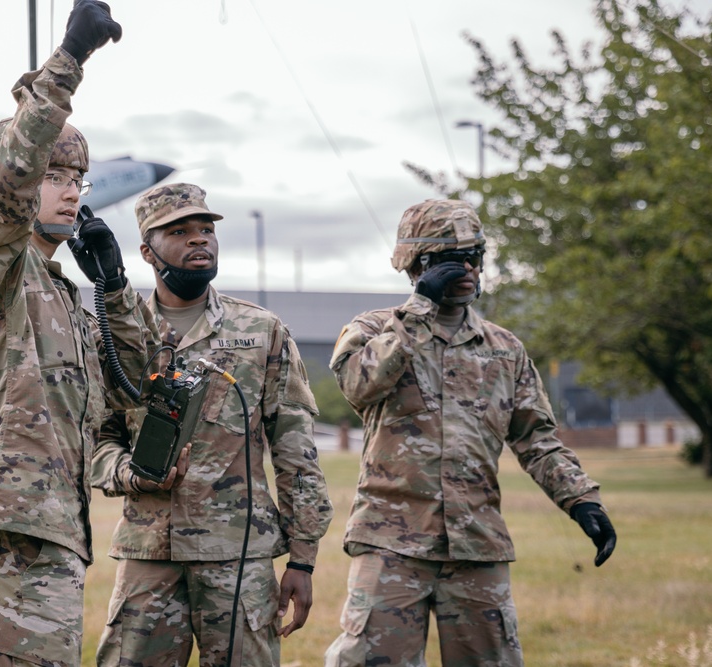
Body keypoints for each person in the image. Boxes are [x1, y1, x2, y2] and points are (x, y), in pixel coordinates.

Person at [0, 3, 155, 666]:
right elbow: (7, 181)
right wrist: (68, 63)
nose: (69, 192)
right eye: (54, 177)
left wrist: (113, 285)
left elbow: (132, 386)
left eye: (77, 180)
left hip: (58, 532)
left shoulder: (62, 294)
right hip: (6, 534)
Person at [324, 199, 617, 667]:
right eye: (448, 260)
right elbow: (360, 385)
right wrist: (421, 306)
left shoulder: (504, 349)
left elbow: (537, 439)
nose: (465, 269)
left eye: (474, 257)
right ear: (416, 265)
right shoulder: (373, 330)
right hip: (391, 544)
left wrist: (581, 500)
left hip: (477, 544)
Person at [91, 183, 334, 667]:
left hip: (238, 556)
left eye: (206, 229)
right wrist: (131, 473)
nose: (199, 240)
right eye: (179, 232)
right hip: (149, 554)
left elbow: (296, 450)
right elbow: (96, 437)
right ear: (146, 251)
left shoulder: (259, 330)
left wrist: (302, 558)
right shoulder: (119, 331)